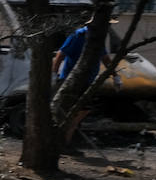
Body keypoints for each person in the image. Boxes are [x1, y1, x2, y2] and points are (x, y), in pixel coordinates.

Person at [52, 18, 121, 146]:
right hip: (71, 80)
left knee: (80, 112)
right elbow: (61, 54)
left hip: (87, 81)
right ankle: (63, 144)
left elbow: (105, 58)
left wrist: (115, 76)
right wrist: (54, 74)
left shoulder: (98, 39)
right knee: (73, 113)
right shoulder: (78, 35)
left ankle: (67, 142)